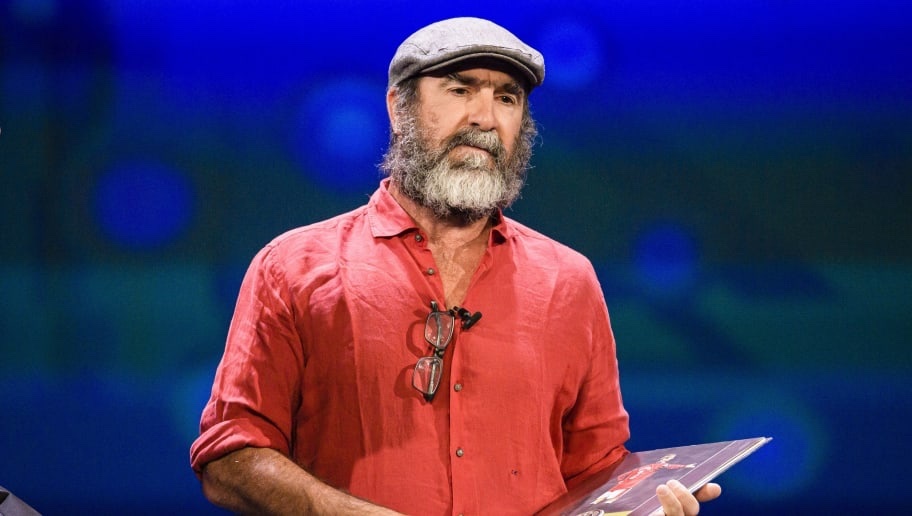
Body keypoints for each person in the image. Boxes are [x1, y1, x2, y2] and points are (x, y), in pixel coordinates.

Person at [189, 17, 721, 515]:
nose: (485, 119)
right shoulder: (292, 268)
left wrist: (644, 501)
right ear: (398, 109)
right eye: (460, 90)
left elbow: (596, 471)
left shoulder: (569, 280)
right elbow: (230, 455)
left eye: (507, 98)